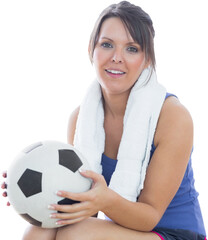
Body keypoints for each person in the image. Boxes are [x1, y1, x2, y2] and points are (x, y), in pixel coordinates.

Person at [1, 1, 207, 239]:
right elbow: (86, 205)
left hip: (173, 232)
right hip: (122, 229)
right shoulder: (80, 118)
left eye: (132, 49)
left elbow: (150, 216)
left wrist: (105, 200)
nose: (116, 58)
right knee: (36, 231)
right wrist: (29, 186)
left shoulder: (172, 116)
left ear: (147, 59)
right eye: (107, 45)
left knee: (77, 234)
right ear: (91, 49)